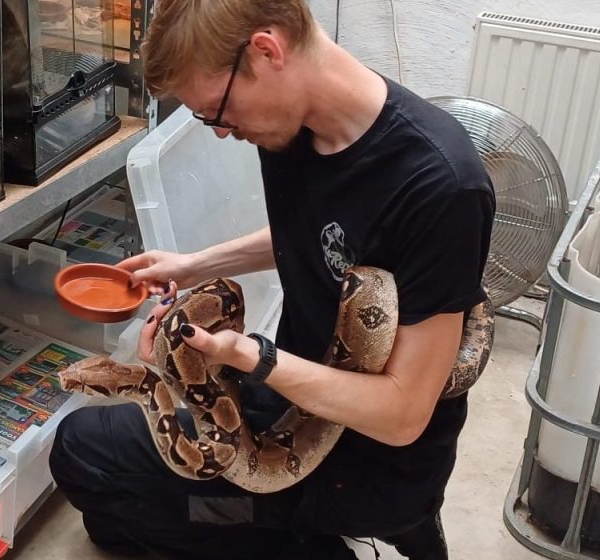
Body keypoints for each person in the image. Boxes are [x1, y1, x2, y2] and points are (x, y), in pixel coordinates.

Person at [47, 0, 496, 557]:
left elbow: (403, 416)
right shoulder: (295, 126)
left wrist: (250, 356)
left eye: (216, 112)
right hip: (291, 388)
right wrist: (193, 266)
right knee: (106, 512)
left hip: (362, 456)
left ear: (266, 50)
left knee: (88, 463)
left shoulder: (441, 187)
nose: (218, 132)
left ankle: (316, 536)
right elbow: (320, 234)